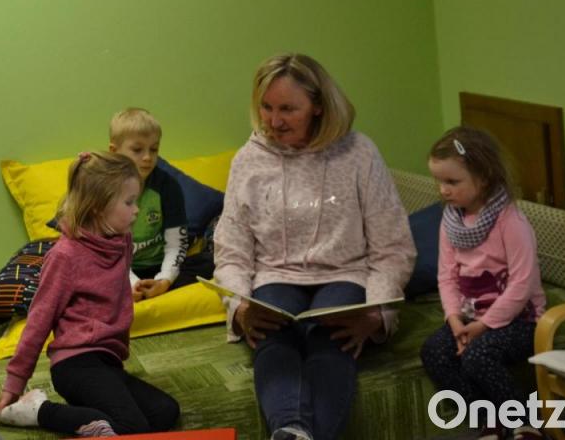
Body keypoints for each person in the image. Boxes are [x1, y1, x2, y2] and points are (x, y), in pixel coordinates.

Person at [213, 53, 415, 440]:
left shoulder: (359, 154)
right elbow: (232, 248)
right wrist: (238, 306)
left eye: (288, 109)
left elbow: (393, 246)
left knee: (330, 339)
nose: (274, 121)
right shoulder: (249, 160)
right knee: (272, 337)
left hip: (345, 273)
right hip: (275, 275)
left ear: (319, 106)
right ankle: (291, 429)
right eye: (267, 107)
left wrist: (378, 312)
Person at [0, 152, 180, 437]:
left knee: (166, 411)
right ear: (98, 207)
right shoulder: (65, 256)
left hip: (108, 362)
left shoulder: (122, 241)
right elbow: (39, 320)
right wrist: (13, 385)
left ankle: (95, 417)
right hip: (74, 364)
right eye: (129, 202)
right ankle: (39, 410)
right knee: (133, 428)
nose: (137, 210)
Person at [421, 127, 546, 440]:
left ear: (485, 177)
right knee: (434, 352)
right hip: (471, 318)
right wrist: (453, 319)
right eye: (439, 182)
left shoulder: (510, 221)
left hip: (521, 320)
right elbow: (447, 276)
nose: (443, 190)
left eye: (453, 182)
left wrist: (484, 326)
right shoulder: (450, 221)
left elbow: (522, 283)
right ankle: (487, 420)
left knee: (478, 355)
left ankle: (524, 421)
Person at [108, 107, 203, 300]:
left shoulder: (168, 186)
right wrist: (132, 283)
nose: (147, 157)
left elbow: (176, 245)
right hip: (116, 267)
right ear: (114, 152)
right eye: (137, 150)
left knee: (211, 263)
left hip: (158, 265)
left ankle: (153, 287)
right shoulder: (103, 188)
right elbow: (106, 250)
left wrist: (164, 280)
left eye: (154, 149)